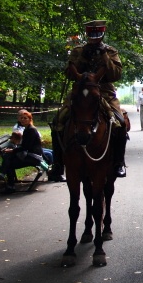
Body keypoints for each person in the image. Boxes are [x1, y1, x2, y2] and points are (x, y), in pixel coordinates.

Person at [53, 20, 129, 178]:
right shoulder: (78, 50)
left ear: (102, 35)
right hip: (81, 91)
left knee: (120, 122)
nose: (94, 39)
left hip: (105, 91)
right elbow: (68, 74)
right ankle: (58, 164)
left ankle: (119, 162)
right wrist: (82, 59)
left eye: (97, 36)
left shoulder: (111, 51)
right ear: (87, 35)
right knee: (58, 120)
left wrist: (104, 56)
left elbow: (116, 75)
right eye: (91, 36)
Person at [0, 111, 49, 193]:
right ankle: (5, 179)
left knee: (9, 163)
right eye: (21, 118)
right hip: (31, 155)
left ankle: (9, 185)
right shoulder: (28, 129)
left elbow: (26, 147)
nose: (23, 120)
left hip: (33, 157)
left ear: (30, 119)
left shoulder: (31, 130)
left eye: (25, 118)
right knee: (9, 158)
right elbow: (25, 146)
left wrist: (12, 150)